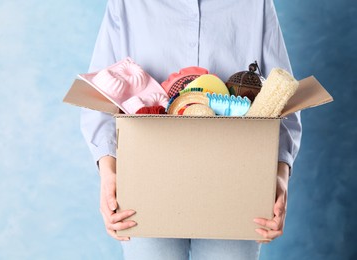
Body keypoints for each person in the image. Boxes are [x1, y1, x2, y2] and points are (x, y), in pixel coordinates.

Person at [80, 0, 302, 259]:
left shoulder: (256, 4)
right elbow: (100, 95)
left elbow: (285, 101)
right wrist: (109, 173)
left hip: (234, 182)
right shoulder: (127, 4)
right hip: (147, 180)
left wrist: (278, 177)